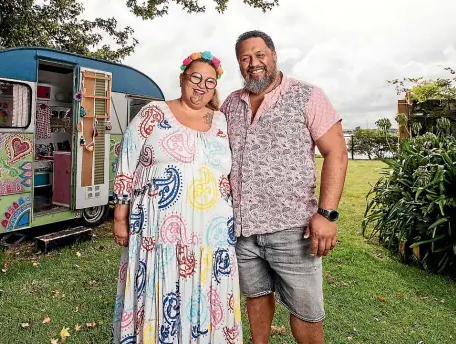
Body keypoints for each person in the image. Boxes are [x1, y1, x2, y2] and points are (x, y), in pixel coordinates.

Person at [220, 31, 348, 344]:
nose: (254, 64)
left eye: (260, 55)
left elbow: (337, 152)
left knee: (306, 312)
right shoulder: (231, 104)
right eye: (245, 58)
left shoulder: (307, 95)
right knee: (256, 296)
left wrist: (327, 214)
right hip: (242, 230)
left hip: (293, 230)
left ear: (274, 56)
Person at [112, 51, 243, 344]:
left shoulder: (222, 121)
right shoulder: (154, 113)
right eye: (195, 77)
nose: (201, 86)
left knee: (206, 295)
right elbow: (126, 161)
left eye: (209, 82)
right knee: (162, 290)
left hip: (213, 234)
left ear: (215, 87)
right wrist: (120, 216)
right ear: (182, 77)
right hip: (159, 232)